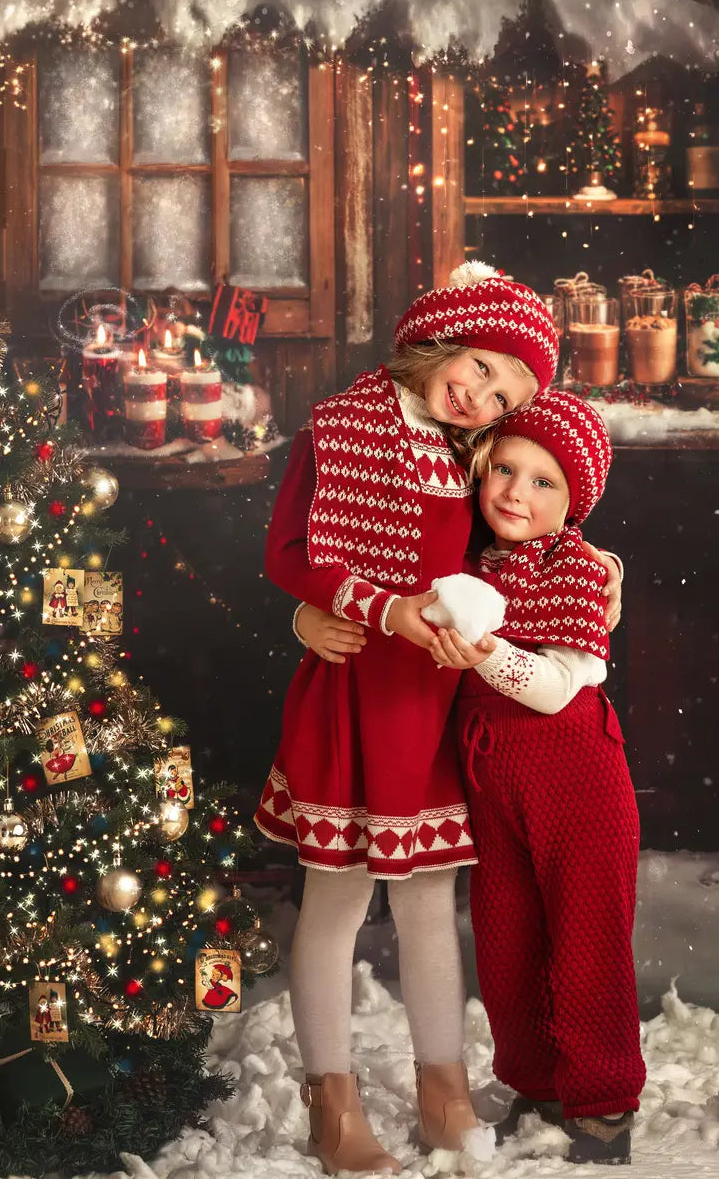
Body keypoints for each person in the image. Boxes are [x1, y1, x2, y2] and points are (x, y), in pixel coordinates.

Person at [255, 262, 605, 1175]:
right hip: (356, 696)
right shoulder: (337, 430)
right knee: (334, 899)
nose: (482, 396)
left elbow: (528, 533)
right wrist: (342, 607)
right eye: (485, 368)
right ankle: (331, 1096)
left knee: (426, 900)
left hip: (439, 705)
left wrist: (597, 568)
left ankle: (441, 1084)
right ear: (446, 338)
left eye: (507, 395)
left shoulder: (473, 454)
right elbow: (290, 550)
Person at [427, 390, 645, 1165]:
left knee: (584, 942)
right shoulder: (471, 561)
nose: (516, 492)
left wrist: (483, 649)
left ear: (573, 503)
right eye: (505, 470)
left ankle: (604, 1102)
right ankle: (535, 1080)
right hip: (494, 777)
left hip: (576, 777)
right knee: (508, 938)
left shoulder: (580, 574)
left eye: (544, 482)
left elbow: (555, 688)